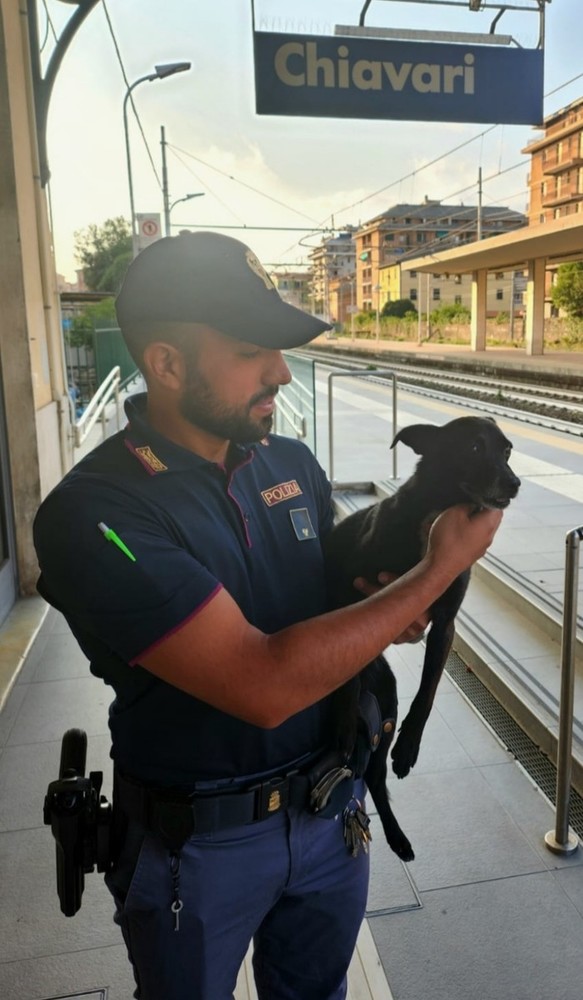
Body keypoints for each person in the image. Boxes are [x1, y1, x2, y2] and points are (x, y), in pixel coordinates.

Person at [33, 231, 502, 1000]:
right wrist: (436, 569)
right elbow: (260, 682)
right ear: (167, 364)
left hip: (331, 813)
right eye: (253, 350)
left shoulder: (289, 464)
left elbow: (330, 604)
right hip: (199, 848)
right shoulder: (95, 513)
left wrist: (384, 609)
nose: (281, 373)